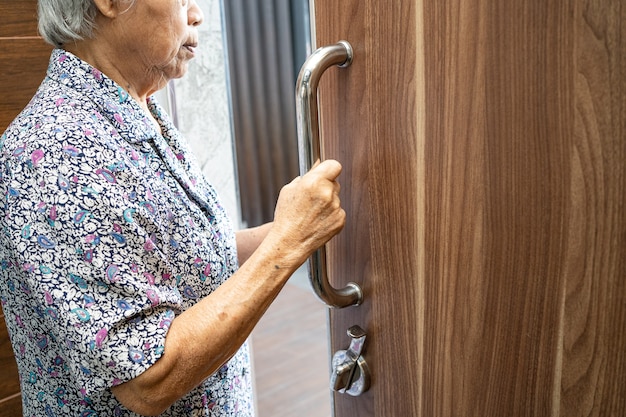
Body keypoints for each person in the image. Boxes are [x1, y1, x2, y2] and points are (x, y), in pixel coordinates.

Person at [0, 0, 345, 415]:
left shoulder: (132, 109)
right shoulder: (55, 156)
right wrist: (289, 241)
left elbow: (184, 262)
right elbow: (147, 380)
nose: (197, 14)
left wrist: (301, 226)